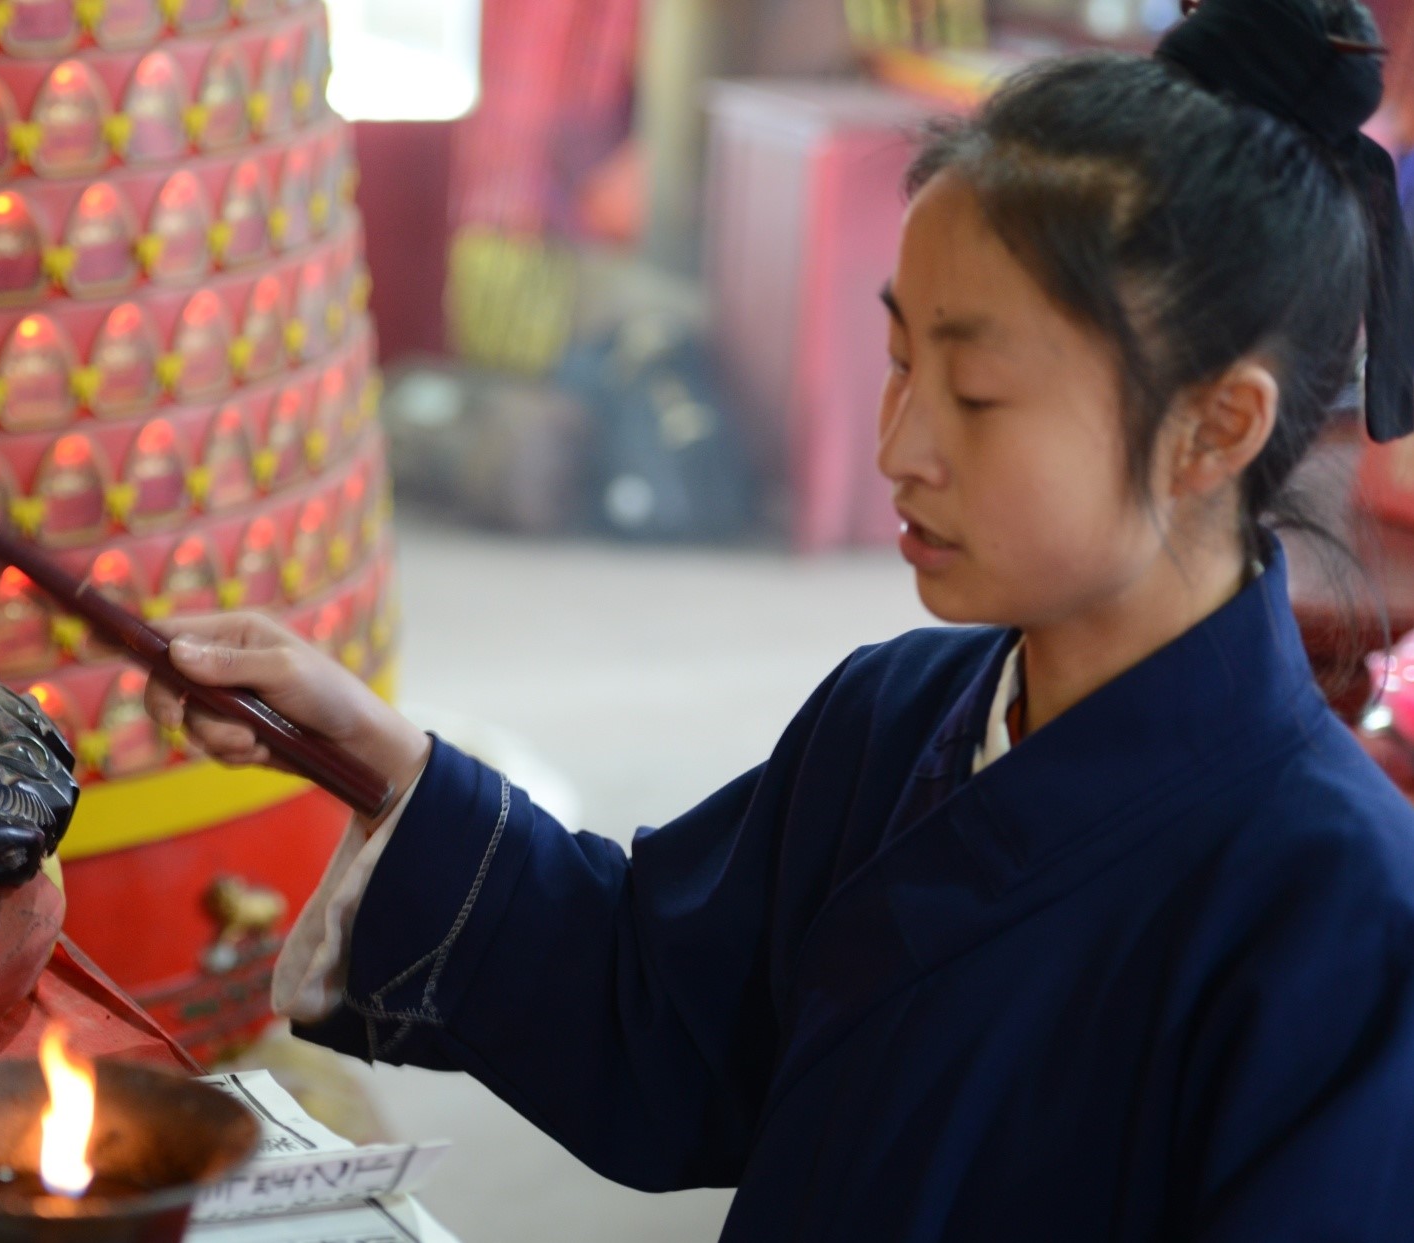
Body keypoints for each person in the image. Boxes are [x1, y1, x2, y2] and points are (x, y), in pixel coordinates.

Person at [148, 0, 1414, 1236]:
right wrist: (380, 758)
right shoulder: (895, 712)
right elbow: (667, 1009)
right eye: (901, 359)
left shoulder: (1338, 914)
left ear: (1214, 425)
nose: (899, 445)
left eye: (974, 392)